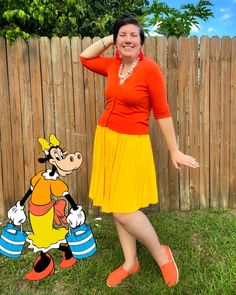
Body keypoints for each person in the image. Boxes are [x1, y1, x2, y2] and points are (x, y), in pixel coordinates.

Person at [80, 14, 199, 288]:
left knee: (124, 210)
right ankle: (130, 262)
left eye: (134, 35)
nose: (128, 39)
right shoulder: (112, 65)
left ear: (142, 41)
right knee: (117, 205)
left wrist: (174, 150)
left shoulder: (150, 70)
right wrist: (112, 38)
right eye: (123, 35)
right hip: (107, 140)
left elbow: (162, 112)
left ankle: (161, 254)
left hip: (132, 143)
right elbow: (85, 58)